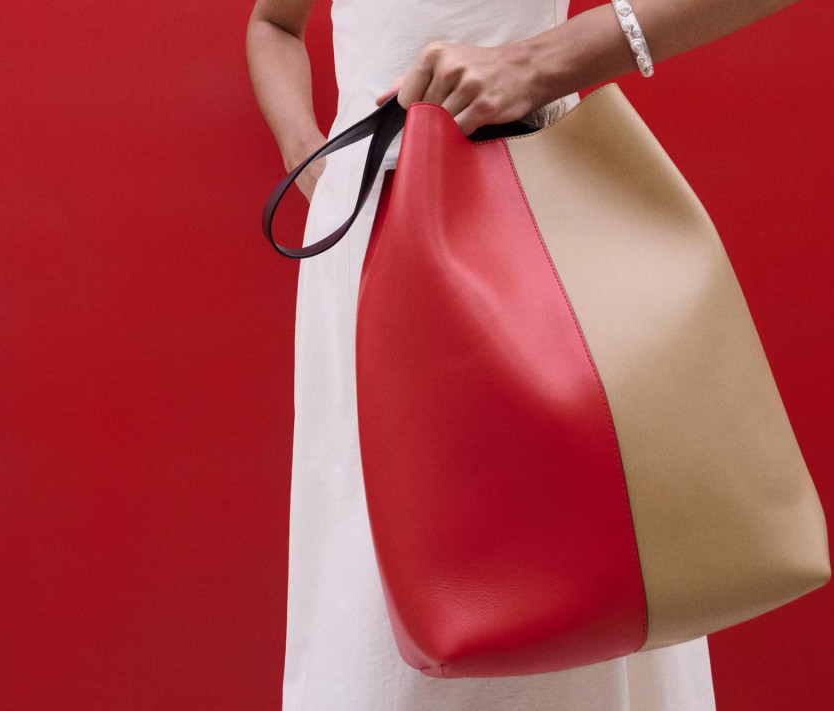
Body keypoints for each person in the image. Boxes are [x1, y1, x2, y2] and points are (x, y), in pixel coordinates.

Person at [247, 0, 801, 707]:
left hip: (529, 211)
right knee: (377, 582)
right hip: (363, 240)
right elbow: (273, 25)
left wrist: (538, 63)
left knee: (569, 548)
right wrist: (309, 154)